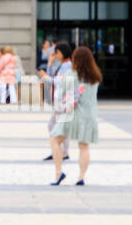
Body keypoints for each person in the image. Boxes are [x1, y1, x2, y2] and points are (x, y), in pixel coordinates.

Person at [49, 45, 101, 185]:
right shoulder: (95, 77)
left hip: (71, 114)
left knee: (55, 139)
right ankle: (81, 177)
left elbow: (62, 94)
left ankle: (58, 173)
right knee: (84, 147)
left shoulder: (71, 75)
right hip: (89, 116)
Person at [43, 41, 73, 162]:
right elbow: (52, 77)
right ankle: (58, 150)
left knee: (58, 126)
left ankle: (63, 152)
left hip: (64, 101)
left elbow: (60, 81)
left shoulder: (68, 66)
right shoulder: (62, 65)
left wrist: (47, 78)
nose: (56, 55)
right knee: (53, 126)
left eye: (58, 52)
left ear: (64, 52)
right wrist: (49, 64)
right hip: (59, 101)